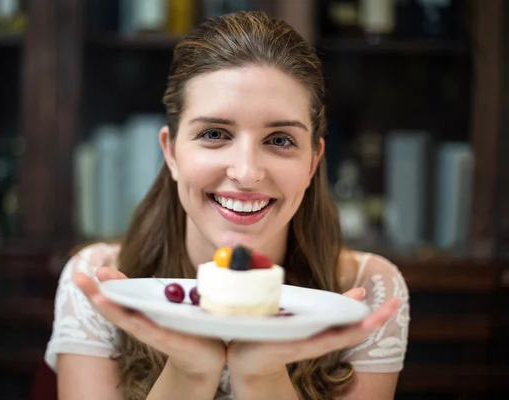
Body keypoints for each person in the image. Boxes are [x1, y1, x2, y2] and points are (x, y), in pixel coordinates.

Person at [44, 10, 410, 400]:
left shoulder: (368, 290)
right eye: (215, 134)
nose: (247, 172)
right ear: (170, 152)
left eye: (281, 140)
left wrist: (262, 376)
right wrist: (189, 371)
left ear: (313, 163)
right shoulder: (99, 283)